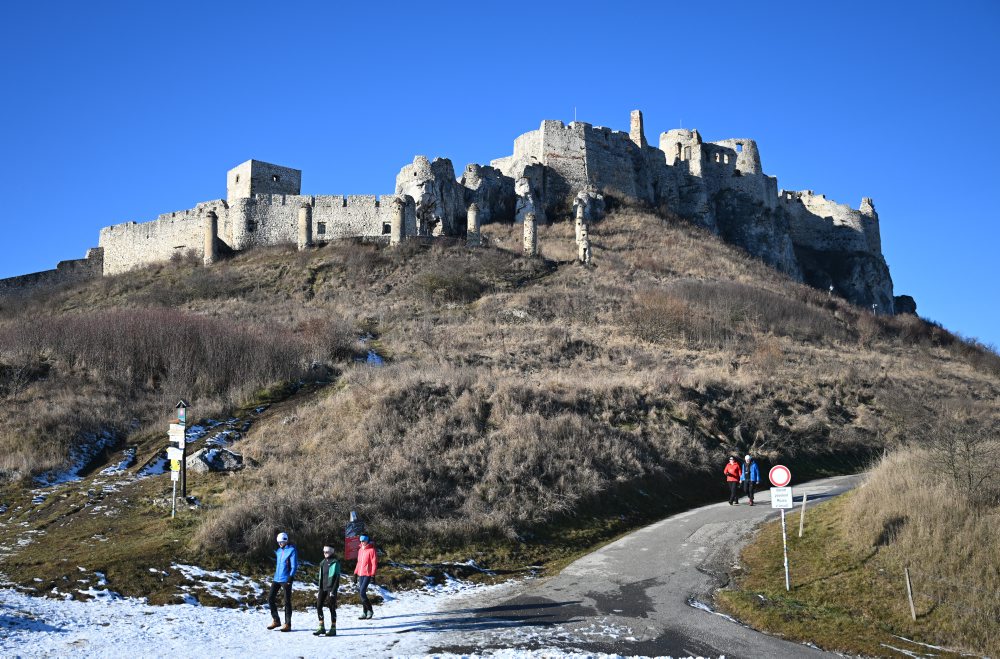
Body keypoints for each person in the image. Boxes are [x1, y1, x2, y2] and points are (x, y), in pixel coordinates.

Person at [267, 531, 298, 632]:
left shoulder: (292, 550)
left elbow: (294, 566)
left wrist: (290, 578)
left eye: (281, 542)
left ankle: (287, 624)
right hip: (277, 578)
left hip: (286, 579)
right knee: (270, 598)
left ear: (286, 541)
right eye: (278, 542)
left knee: (287, 601)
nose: (280, 544)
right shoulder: (279, 551)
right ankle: (276, 620)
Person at [314, 545, 341, 637]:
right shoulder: (322, 562)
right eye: (324, 551)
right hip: (322, 587)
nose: (325, 553)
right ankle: (321, 627)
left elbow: (337, 577)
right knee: (318, 606)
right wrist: (319, 587)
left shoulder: (335, 562)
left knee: (331, 607)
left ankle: (333, 628)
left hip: (331, 588)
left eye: (327, 552)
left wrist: (333, 590)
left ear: (332, 552)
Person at [354, 534, 378, 620]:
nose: (362, 542)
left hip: (368, 574)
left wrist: (373, 575)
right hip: (360, 573)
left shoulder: (372, 550)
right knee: (361, 593)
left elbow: (374, 563)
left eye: (364, 540)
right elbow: (358, 562)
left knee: (362, 592)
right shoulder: (360, 550)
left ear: (367, 540)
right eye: (361, 540)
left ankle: (370, 610)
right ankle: (364, 612)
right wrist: (355, 573)